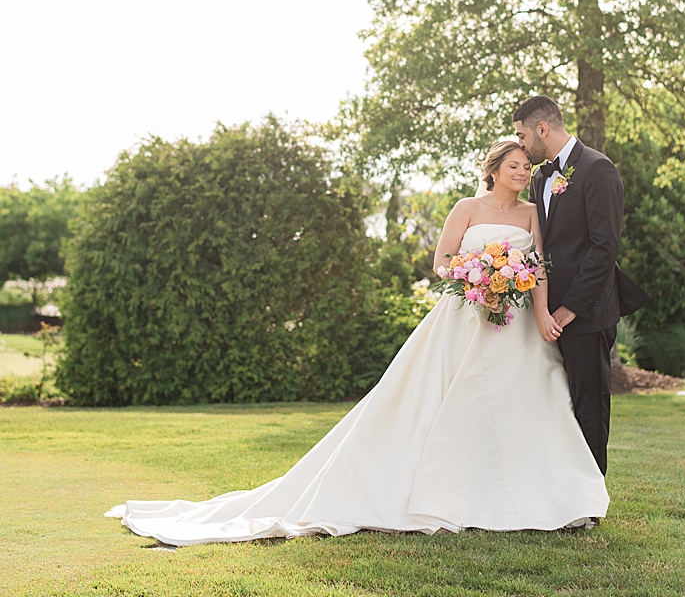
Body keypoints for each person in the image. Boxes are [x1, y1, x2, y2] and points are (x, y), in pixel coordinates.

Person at [107, 139, 608, 545]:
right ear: (494, 169)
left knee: (528, 405)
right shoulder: (466, 207)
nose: (524, 172)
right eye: (516, 165)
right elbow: (440, 261)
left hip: (516, 324)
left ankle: (546, 495)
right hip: (465, 316)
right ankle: (445, 491)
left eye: (527, 166)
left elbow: (539, 266)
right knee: (436, 404)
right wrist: (471, 277)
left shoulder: (529, 215)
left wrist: (542, 313)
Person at [513, 95, 650, 481]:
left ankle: (589, 500)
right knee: (554, 403)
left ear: (542, 129)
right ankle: (558, 490)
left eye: (522, 135)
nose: (521, 145)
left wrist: (569, 308)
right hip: (545, 314)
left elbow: (604, 247)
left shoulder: (597, 168)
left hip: (586, 313)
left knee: (589, 405)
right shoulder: (539, 177)